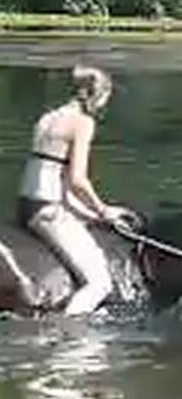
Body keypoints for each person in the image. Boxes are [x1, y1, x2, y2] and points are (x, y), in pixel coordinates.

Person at [16, 64, 137, 316]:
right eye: (106, 98)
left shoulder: (47, 118)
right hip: (47, 211)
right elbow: (77, 180)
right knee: (100, 284)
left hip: (28, 204)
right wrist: (104, 211)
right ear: (99, 95)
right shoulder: (82, 123)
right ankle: (67, 335)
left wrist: (90, 215)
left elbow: (52, 175)